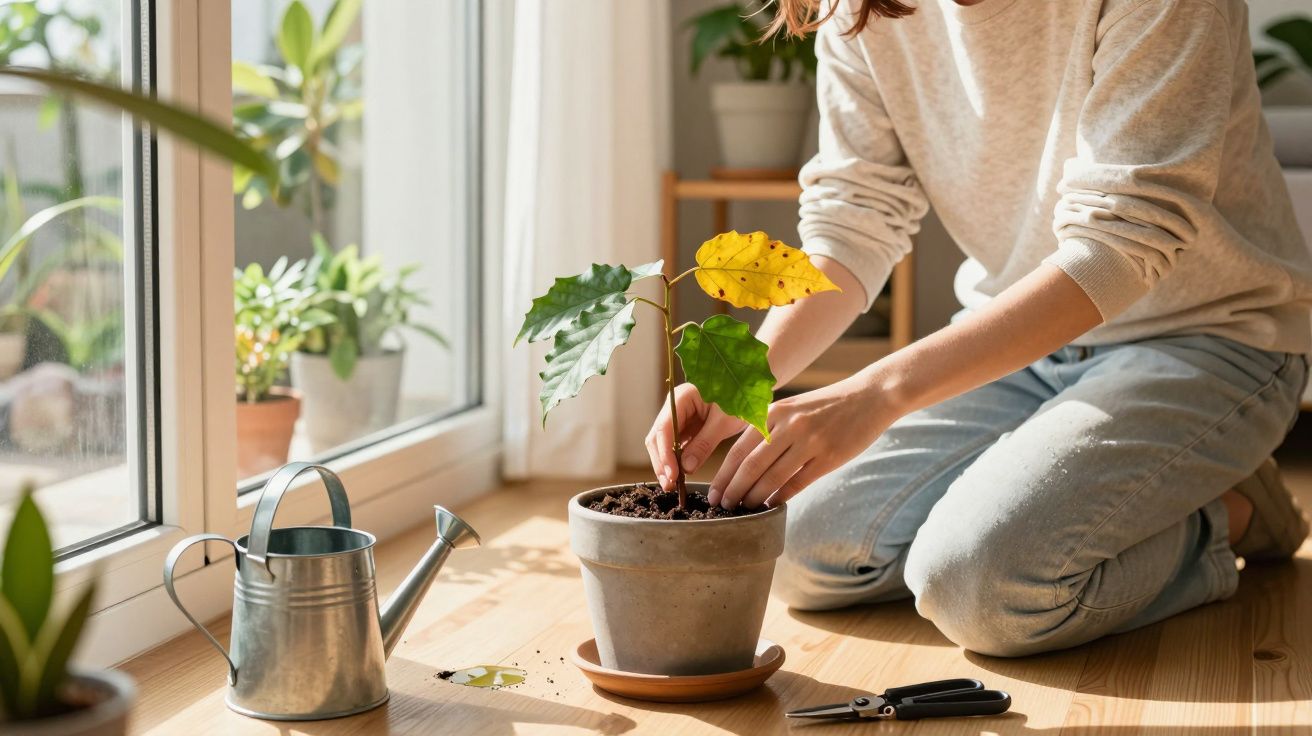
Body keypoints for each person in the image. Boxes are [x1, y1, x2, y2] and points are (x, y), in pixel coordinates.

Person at [646, 0, 1312, 657]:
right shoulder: (862, 9)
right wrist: (746, 381)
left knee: (979, 587)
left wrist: (879, 393)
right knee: (799, 548)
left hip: (1212, 336)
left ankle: (1229, 513)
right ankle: (1149, 483)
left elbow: (1121, 243)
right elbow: (854, 220)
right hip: (1019, 347)